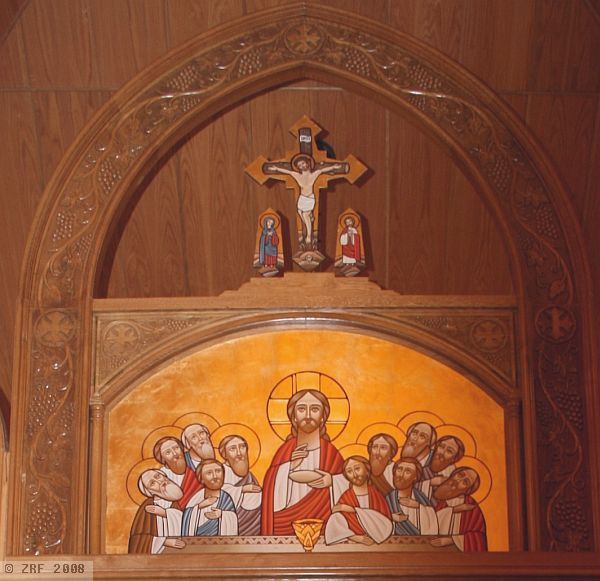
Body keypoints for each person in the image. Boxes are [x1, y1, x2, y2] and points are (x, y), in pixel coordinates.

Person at [261, 389, 344, 536]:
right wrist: (289, 466)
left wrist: (332, 482)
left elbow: (351, 489)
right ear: (293, 417)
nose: (308, 415)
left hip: (323, 527)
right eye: (301, 409)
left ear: (323, 417)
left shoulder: (332, 454)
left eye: (315, 409)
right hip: (284, 526)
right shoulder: (284, 452)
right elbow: (270, 491)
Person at [265, 154, 347, 246]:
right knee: (300, 212)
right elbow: (288, 172)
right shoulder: (297, 175)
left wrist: (333, 167)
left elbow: (323, 170)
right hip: (302, 198)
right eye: (299, 165)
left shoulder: (314, 174)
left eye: (303, 163)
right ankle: (310, 219)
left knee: (305, 215)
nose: (302, 166)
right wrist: (276, 168)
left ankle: (309, 235)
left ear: (307, 163)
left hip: (309, 198)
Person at [324, 456, 393, 546]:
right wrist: (355, 537)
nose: (354, 475)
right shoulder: (346, 498)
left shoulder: (377, 496)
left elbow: (384, 521)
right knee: (335, 517)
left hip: (376, 539)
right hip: (352, 540)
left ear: (367, 470)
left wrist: (353, 510)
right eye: (349, 471)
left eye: (357, 469)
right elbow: (336, 522)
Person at [128, 469, 186, 554]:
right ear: (150, 491)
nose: (159, 481)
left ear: (164, 475)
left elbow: (186, 525)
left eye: (158, 476)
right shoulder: (148, 507)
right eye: (152, 483)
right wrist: (164, 541)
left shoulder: (175, 503)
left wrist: (165, 513)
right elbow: (137, 539)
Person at [431, 467, 488, 552]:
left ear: (467, 490)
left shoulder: (470, 506)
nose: (458, 480)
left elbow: (478, 538)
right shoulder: (429, 490)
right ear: (454, 474)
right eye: (460, 475)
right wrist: (454, 510)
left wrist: (453, 540)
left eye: (465, 482)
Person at [218, 434, 262, 535]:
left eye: (242, 447)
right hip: (230, 525)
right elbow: (217, 495)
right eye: (232, 449)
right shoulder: (219, 472)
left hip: (253, 525)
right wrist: (242, 489)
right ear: (224, 454)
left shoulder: (249, 475)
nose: (239, 453)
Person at [182, 459, 238, 537]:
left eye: (218, 471)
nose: (215, 476)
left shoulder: (226, 499)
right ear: (201, 479)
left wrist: (222, 514)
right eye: (209, 473)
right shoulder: (195, 500)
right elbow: (186, 521)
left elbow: (232, 521)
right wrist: (199, 507)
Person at [385, 458, 437, 536]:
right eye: (399, 470)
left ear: (415, 477)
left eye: (407, 472)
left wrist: (418, 506)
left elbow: (432, 524)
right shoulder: (388, 500)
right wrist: (391, 518)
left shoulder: (422, 499)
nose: (401, 475)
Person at [154, 436, 201, 508]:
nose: (175, 453)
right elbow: (164, 504)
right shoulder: (162, 475)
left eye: (176, 448)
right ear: (163, 459)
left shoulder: (194, 463)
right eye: (168, 452)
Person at [419, 436, 465, 503]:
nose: (442, 452)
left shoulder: (452, 475)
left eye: (449, 451)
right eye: (441, 447)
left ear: (454, 459)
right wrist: (430, 482)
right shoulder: (421, 462)